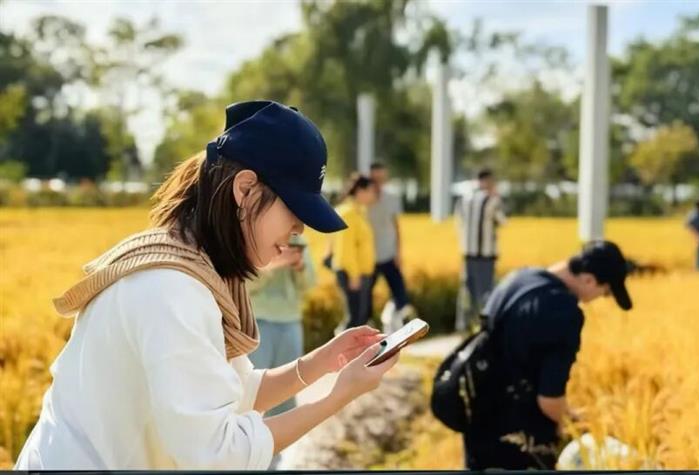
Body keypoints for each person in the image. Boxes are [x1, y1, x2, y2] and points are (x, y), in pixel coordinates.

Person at [15, 100, 399, 470]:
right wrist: (339, 396)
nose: (299, 229)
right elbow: (218, 454)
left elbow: (235, 392)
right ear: (245, 189)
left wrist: (323, 362)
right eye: (294, 210)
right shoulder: (171, 290)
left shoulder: (194, 265)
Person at [462, 241, 634, 470]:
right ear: (589, 280)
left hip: (476, 424)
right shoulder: (565, 313)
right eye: (604, 293)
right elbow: (549, 401)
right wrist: (581, 424)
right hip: (517, 443)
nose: (598, 299)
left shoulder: (518, 278)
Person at [246, 233, 315, 469]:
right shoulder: (253, 240)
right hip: (258, 323)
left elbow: (311, 283)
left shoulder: (299, 242)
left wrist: (299, 265)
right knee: (253, 397)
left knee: (287, 393)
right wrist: (273, 264)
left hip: (290, 323)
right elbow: (243, 282)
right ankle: (249, 459)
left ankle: (275, 461)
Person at [454, 168, 506, 331]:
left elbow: (459, 222)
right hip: (485, 254)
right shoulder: (492, 200)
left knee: (467, 289)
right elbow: (503, 221)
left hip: (468, 252)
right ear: (488, 181)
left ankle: (462, 324)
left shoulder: (464, 199)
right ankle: (485, 326)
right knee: (486, 291)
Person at [367, 162, 416, 333]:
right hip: (369, 258)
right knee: (365, 299)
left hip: (388, 254)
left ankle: (392, 322)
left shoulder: (392, 198)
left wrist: (398, 253)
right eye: (375, 178)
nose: (378, 182)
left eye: (381, 178)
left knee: (400, 294)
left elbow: (397, 227)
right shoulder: (364, 198)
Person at [332, 173, 378, 332]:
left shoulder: (359, 212)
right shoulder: (348, 213)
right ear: (360, 191)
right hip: (352, 274)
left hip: (361, 274)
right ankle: (338, 352)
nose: (373, 195)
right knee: (354, 320)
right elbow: (346, 248)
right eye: (371, 191)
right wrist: (353, 275)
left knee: (360, 319)